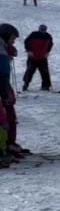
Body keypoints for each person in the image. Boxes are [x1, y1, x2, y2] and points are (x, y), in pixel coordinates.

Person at [0, 24, 20, 168]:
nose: (13, 41)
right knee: (4, 117)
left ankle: (7, 143)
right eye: (12, 38)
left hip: (4, 84)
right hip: (2, 84)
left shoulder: (3, 47)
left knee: (7, 115)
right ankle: (5, 145)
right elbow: (2, 71)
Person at [22, 24, 53, 91]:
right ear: (39, 29)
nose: (42, 31)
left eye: (44, 30)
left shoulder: (48, 36)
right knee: (29, 71)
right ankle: (25, 84)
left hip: (42, 57)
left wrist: (47, 52)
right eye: (41, 29)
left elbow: (50, 45)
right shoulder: (33, 34)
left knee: (45, 72)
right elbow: (26, 42)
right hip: (32, 57)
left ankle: (45, 86)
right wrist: (29, 51)